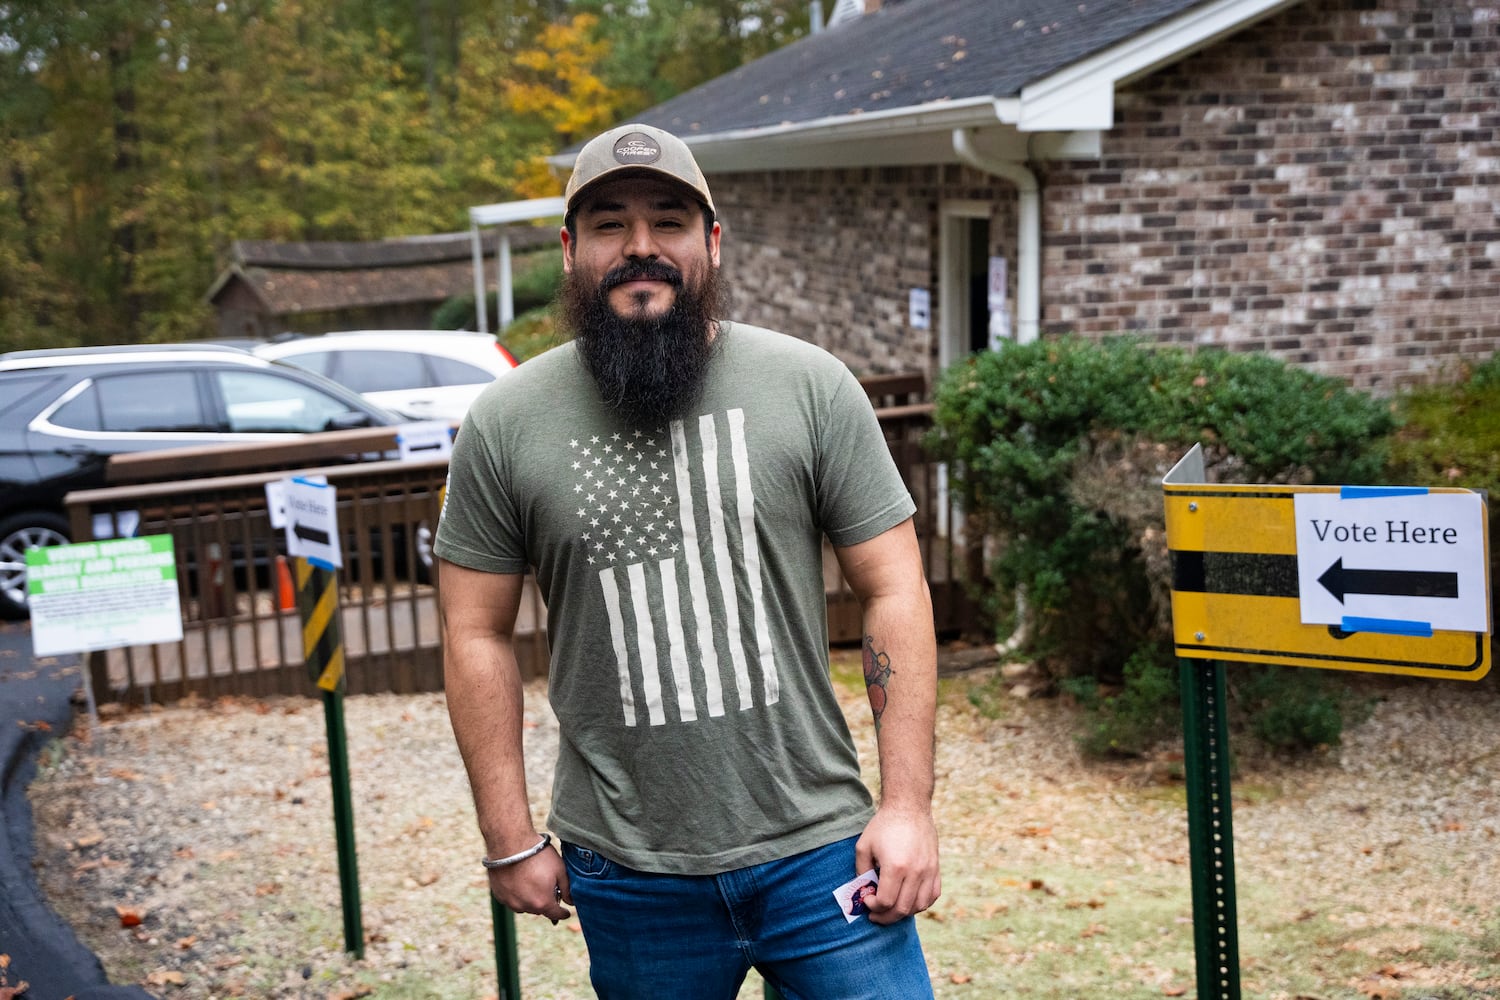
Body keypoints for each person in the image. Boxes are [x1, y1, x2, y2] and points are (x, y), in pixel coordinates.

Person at [435, 122, 940, 1000]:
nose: (641, 248)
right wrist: (508, 835)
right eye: (609, 225)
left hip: (819, 849)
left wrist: (906, 807)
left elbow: (894, 584)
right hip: (626, 871)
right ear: (569, 251)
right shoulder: (504, 422)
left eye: (668, 221)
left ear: (711, 241)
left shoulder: (811, 387)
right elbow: (474, 630)